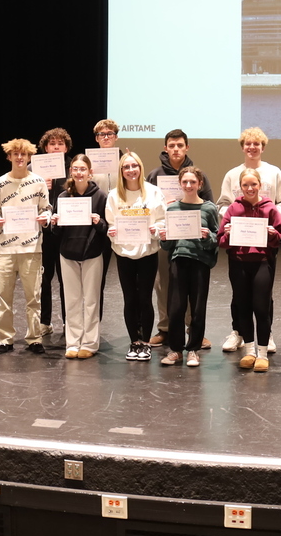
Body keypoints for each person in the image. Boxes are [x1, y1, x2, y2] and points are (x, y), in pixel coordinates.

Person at [216, 127, 281, 355]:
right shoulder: (232, 174)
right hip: (239, 242)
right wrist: (236, 222)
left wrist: (269, 220)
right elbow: (223, 204)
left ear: (263, 147)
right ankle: (238, 332)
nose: (252, 147)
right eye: (248, 143)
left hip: (265, 244)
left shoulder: (274, 172)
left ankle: (267, 336)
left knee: (263, 293)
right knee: (240, 294)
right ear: (242, 147)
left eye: (256, 144)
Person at [146, 129, 214, 348]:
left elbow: (208, 205)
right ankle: (165, 329)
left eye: (180, 145)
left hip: (193, 244)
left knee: (191, 288)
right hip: (168, 239)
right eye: (172, 146)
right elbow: (146, 207)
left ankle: (192, 329)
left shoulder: (197, 175)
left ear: (187, 147)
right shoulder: (154, 175)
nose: (176, 149)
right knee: (164, 285)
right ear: (166, 148)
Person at [0, 138, 51, 355]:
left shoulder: (39, 182)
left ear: (29, 156)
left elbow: (47, 208)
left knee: (33, 297)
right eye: (15, 154)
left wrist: (45, 217)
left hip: (32, 247)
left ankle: (34, 338)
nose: (19, 157)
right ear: (9, 157)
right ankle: (5, 339)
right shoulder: (0, 183)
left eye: (23, 154)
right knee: (3, 297)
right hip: (5, 248)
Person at [106, 152, 166, 361]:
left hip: (147, 252)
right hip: (124, 253)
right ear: (121, 171)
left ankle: (146, 343)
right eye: (126, 167)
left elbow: (162, 220)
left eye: (134, 166)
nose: (131, 170)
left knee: (145, 298)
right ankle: (134, 342)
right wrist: (112, 231)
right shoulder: (114, 195)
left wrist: (154, 230)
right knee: (130, 299)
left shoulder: (154, 192)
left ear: (140, 168)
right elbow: (111, 222)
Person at [158, 166, 219, 367]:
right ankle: (176, 350)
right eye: (185, 182)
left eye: (193, 182)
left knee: (198, 308)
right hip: (178, 260)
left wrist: (207, 236)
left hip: (200, 262)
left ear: (200, 184)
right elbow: (168, 245)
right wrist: (164, 238)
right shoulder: (173, 209)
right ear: (180, 184)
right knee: (175, 308)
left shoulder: (209, 208)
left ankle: (193, 349)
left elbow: (216, 238)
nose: (189, 185)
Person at [51, 155, 109, 359]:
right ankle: (73, 342)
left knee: (92, 300)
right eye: (75, 169)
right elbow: (56, 233)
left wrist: (98, 222)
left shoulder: (101, 196)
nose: (79, 173)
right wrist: (55, 222)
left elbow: (106, 228)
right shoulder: (63, 197)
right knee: (72, 300)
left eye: (83, 169)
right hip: (68, 254)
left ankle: (90, 343)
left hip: (92, 254)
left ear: (90, 172)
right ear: (70, 172)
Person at [38, 128, 72, 336]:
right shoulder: (34, 168)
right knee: (43, 279)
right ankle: (44, 322)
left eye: (60, 143)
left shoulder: (73, 167)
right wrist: (42, 184)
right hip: (42, 232)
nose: (56, 146)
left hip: (65, 231)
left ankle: (68, 321)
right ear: (45, 147)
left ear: (66, 147)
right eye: (52, 143)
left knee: (65, 279)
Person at [90, 118, 122, 319]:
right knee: (97, 277)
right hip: (98, 223)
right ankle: (95, 321)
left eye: (110, 134)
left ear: (116, 137)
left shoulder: (126, 161)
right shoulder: (88, 163)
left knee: (129, 274)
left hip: (123, 221)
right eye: (102, 134)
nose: (106, 137)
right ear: (97, 138)